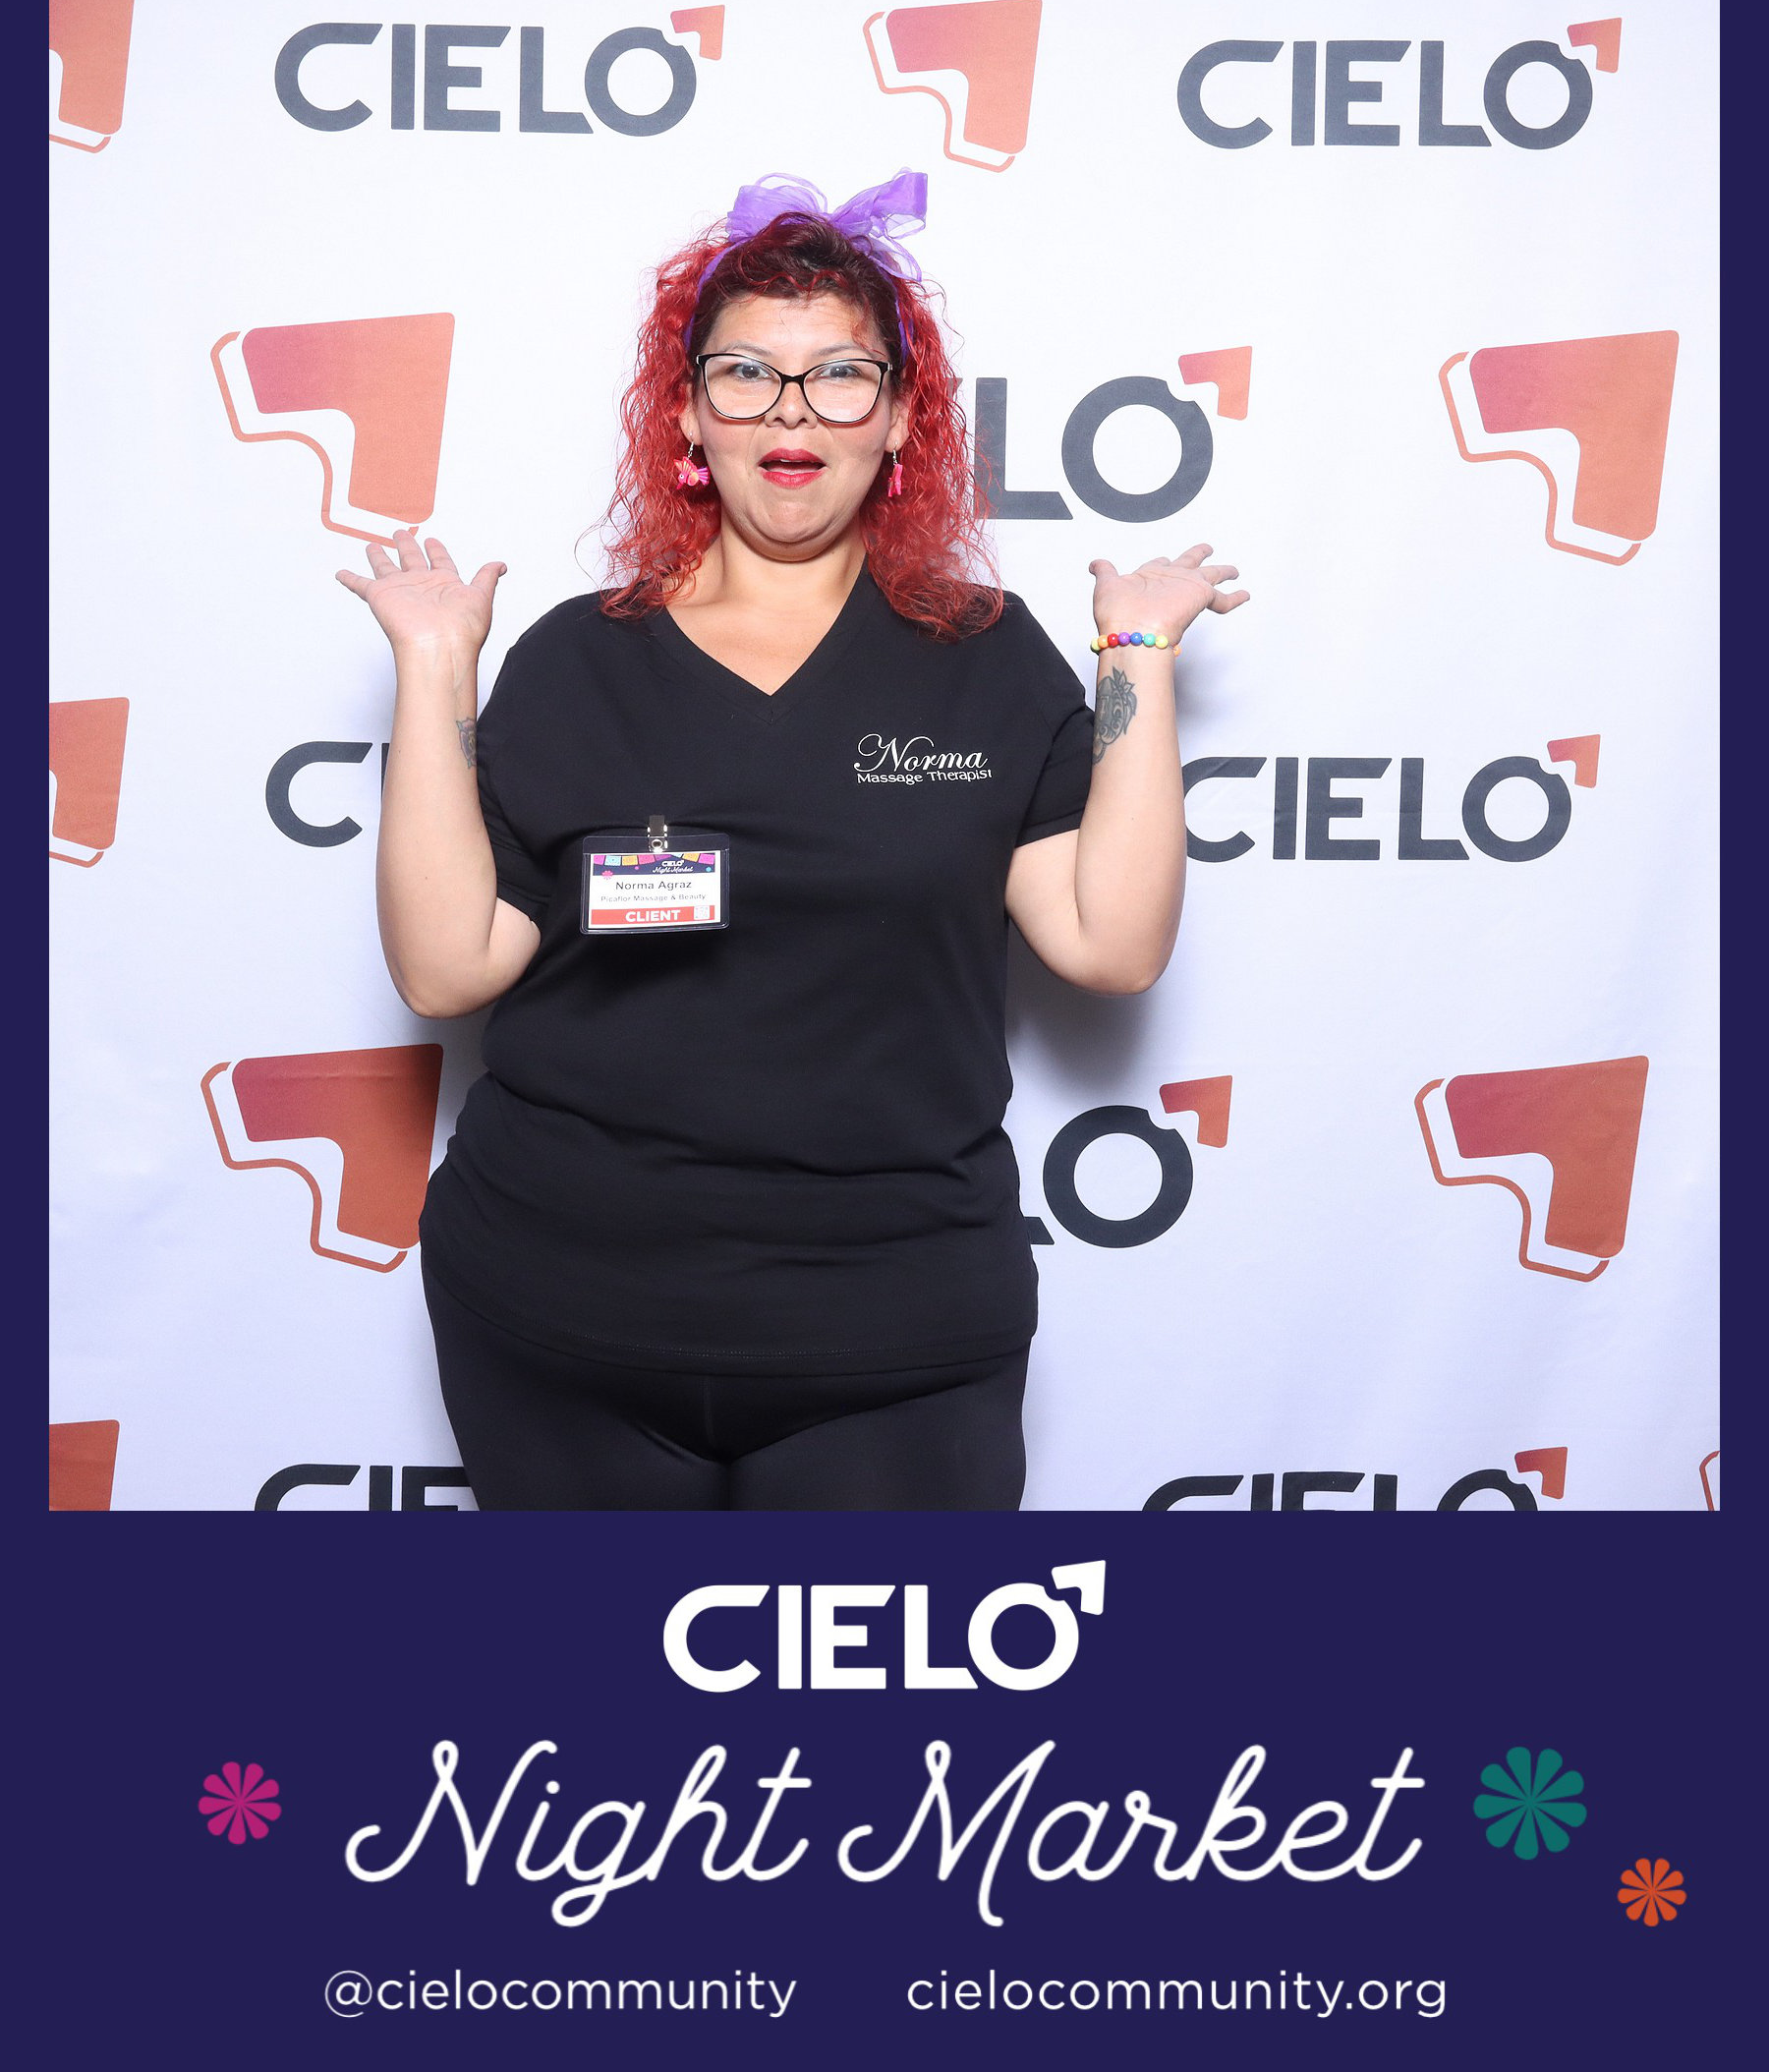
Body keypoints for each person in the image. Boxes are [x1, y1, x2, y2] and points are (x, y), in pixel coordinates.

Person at [338, 172, 1249, 1511]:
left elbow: (1110, 947)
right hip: (560, 1316)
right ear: (690, 414)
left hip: (897, 1335)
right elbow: (444, 968)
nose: (791, 411)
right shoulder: (577, 660)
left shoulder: (984, 658)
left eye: (838, 376)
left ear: (900, 418)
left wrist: (1139, 656)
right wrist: (432, 670)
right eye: (748, 374)